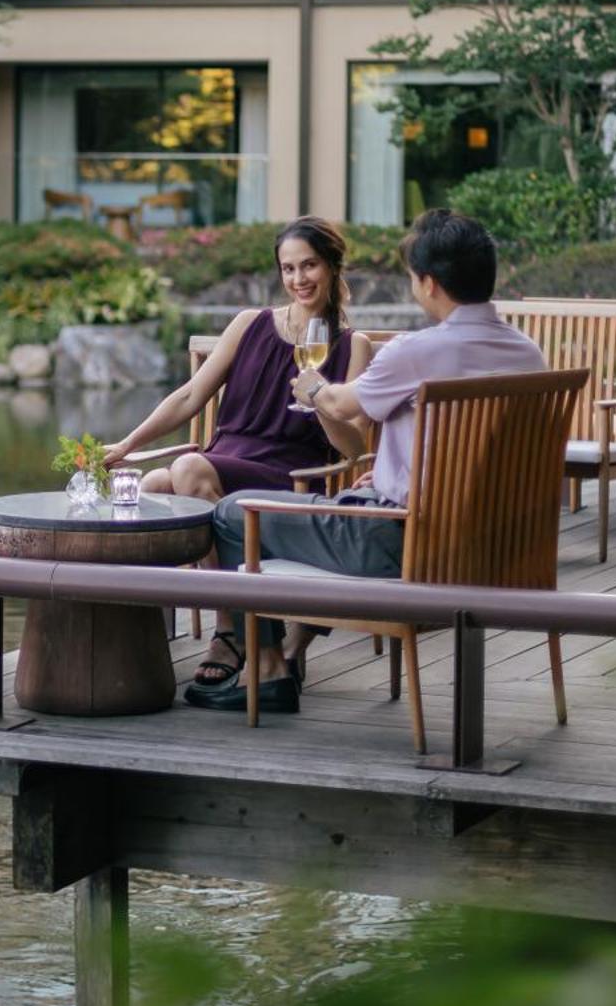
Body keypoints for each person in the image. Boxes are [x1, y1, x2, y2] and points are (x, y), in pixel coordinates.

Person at [200, 207, 547, 718]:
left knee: (234, 511)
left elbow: (340, 406)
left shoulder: (413, 351)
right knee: (334, 503)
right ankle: (289, 655)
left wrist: (312, 386)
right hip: (499, 548)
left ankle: (269, 665)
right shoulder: (528, 354)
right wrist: (391, 473)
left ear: (428, 284)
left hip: (405, 547)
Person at [102, 218, 374, 698]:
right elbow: (190, 397)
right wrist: (128, 445)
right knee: (150, 485)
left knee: (185, 469)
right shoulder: (249, 324)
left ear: (332, 266)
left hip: (290, 479)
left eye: (309, 265)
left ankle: (230, 628)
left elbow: (355, 449)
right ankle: (129, 641)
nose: (299, 279)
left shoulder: (354, 346)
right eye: (288, 268)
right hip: (223, 464)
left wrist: (322, 400)